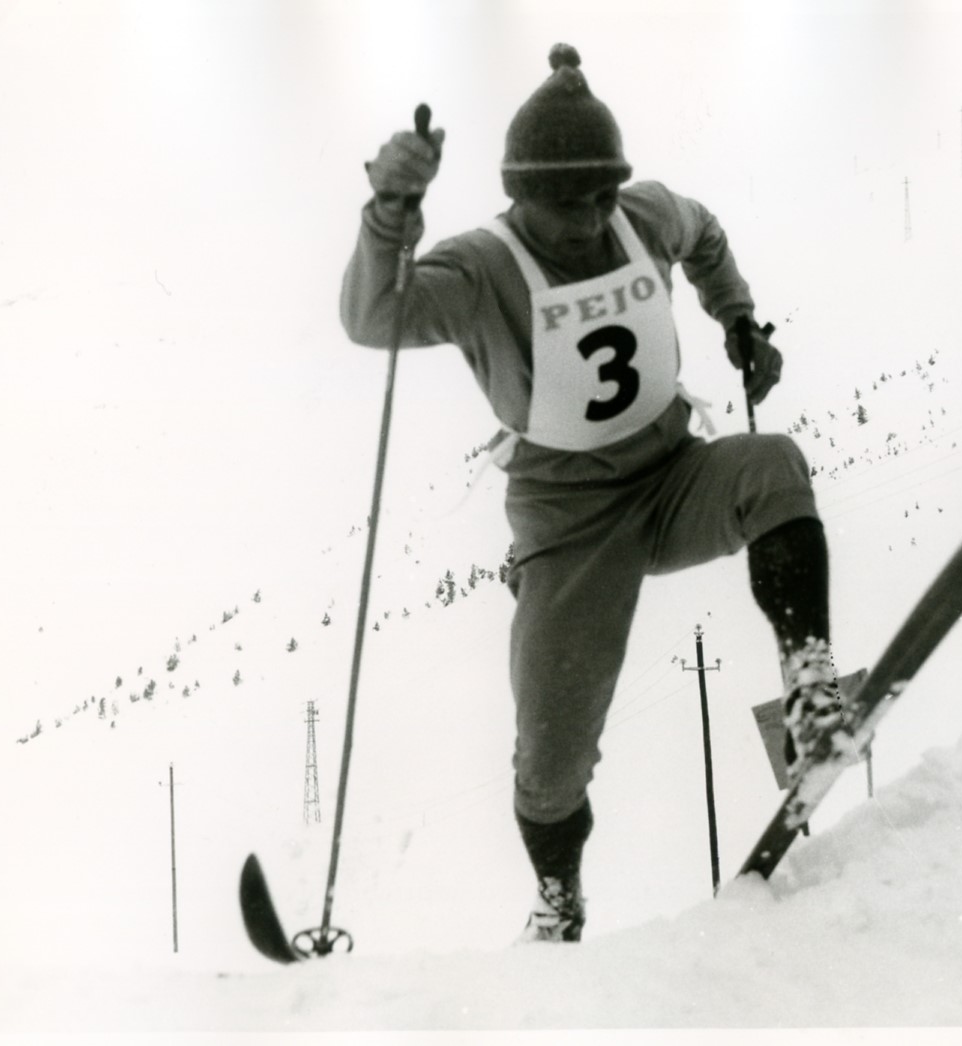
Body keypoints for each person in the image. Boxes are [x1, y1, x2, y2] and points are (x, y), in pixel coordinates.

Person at [341, 43, 847, 943]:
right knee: (551, 757)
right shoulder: (479, 268)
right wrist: (388, 213)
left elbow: (705, 233)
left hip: (672, 476)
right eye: (561, 202)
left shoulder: (641, 215)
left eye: (598, 196)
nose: (584, 220)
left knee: (773, 462)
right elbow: (373, 316)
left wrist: (735, 314)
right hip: (570, 526)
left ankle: (809, 684)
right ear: (517, 194)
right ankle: (559, 900)